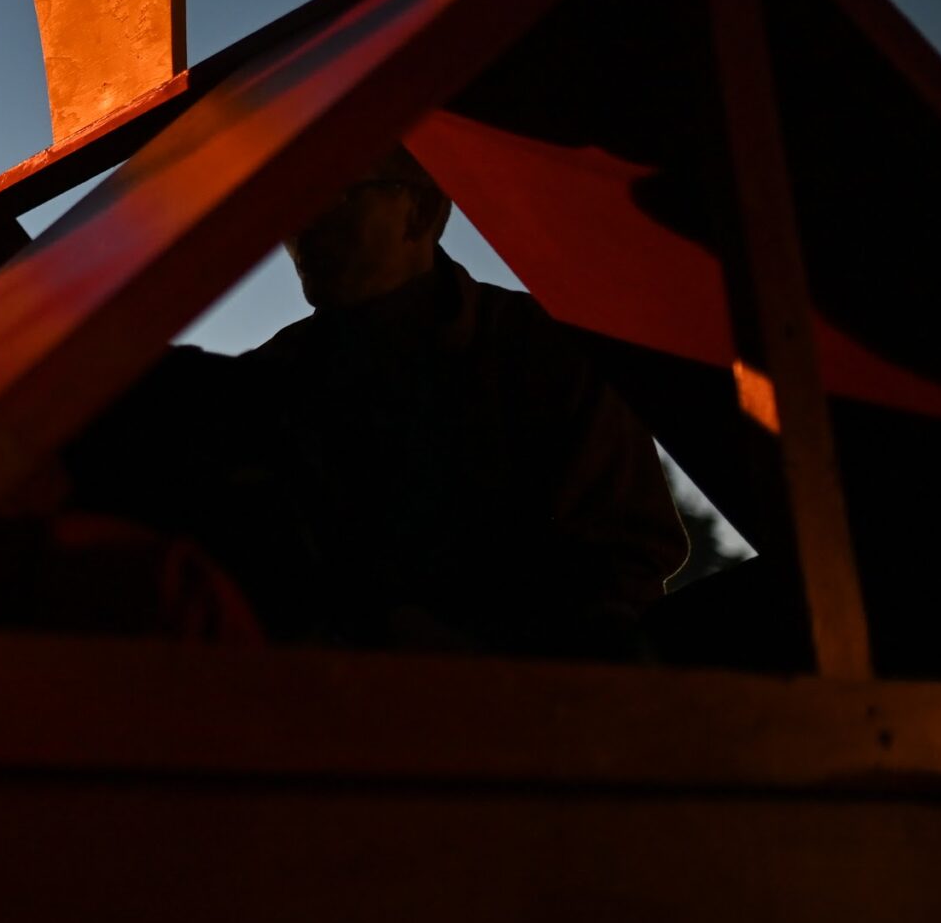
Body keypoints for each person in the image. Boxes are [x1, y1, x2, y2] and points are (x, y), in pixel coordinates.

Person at [71, 147, 688, 659]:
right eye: (289, 205)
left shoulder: (546, 353)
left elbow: (627, 558)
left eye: (334, 195)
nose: (299, 227)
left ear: (420, 211)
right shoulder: (271, 377)